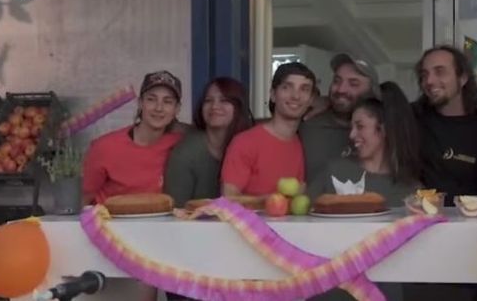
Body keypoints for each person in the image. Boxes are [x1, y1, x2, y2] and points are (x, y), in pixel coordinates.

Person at [413, 46, 477, 205]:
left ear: (463, 78)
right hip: (421, 224)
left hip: (473, 225)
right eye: (424, 75)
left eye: (440, 72)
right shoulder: (410, 120)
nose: (429, 81)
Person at [308, 81, 422, 206]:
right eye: (351, 127)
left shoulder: (413, 191)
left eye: (360, 126)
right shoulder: (333, 172)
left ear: (384, 129)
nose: (351, 135)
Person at [82, 71, 184, 205]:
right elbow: (81, 202)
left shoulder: (180, 144)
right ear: (140, 103)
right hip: (109, 223)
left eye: (167, 101)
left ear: (177, 109)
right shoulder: (105, 147)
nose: (159, 108)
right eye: (151, 99)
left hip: (159, 223)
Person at [221, 62, 316, 197]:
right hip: (247, 219)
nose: (296, 96)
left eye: (304, 89)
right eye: (286, 87)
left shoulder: (301, 143)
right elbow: (228, 199)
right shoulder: (245, 142)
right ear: (272, 95)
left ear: (311, 100)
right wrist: (274, 200)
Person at [163, 77, 253, 207]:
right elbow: (175, 211)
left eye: (224, 100)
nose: (215, 106)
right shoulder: (186, 152)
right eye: (208, 100)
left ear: (239, 107)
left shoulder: (250, 146)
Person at [300, 53, 380, 184]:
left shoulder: (383, 131)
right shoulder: (307, 122)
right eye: (337, 81)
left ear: (372, 91)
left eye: (353, 83)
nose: (341, 89)